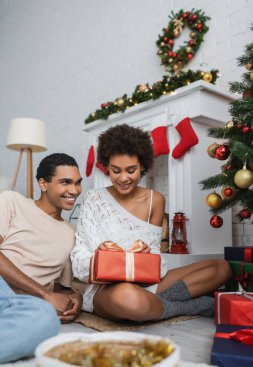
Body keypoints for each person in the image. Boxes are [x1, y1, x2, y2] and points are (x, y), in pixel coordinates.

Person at [71, 125, 232, 322]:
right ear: (107, 168)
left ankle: (152, 304)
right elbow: (79, 256)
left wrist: (147, 253)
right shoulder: (94, 199)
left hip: (147, 282)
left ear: (142, 167)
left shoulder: (155, 200)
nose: (123, 178)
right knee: (130, 298)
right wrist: (103, 255)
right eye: (116, 171)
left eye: (131, 170)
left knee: (221, 268)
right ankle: (189, 306)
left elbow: (156, 257)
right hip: (108, 288)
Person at [0, 153, 83, 362]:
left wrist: (76, 300)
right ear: (43, 184)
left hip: (21, 305)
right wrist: (44, 295)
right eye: (65, 182)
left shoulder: (73, 234)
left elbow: (64, 289)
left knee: (46, 319)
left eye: (77, 183)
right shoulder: (12, 201)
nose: (74, 190)